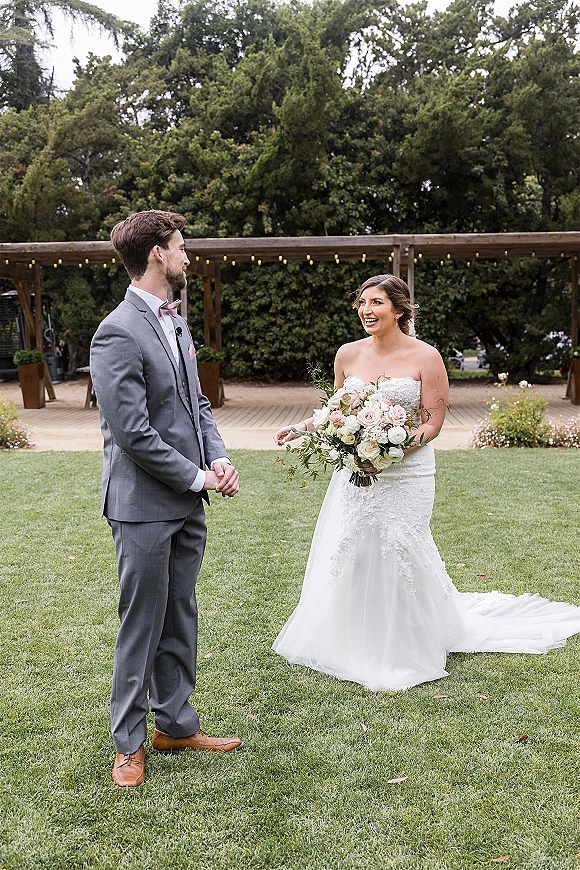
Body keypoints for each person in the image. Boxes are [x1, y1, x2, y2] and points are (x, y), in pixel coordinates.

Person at [272, 274, 580, 691]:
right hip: (358, 472)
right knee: (358, 547)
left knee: (402, 545)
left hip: (408, 473)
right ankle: (354, 638)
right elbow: (336, 411)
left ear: (399, 310)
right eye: (362, 302)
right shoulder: (347, 355)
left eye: (376, 302)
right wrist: (304, 427)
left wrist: (388, 454)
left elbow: (433, 423)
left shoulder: (426, 357)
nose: (366, 310)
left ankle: (406, 644)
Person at [90, 210, 241, 789]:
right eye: (180, 246)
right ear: (157, 253)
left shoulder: (175, 322)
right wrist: (198, 478)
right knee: (142, 623)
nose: (186, 255)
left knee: (180, 615)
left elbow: (195, 404)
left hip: (186, 501)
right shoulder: (116, 330)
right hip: (142, 506)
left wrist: (217, 456)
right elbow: (131, 433)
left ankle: (175, 724)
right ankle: (128, 744)